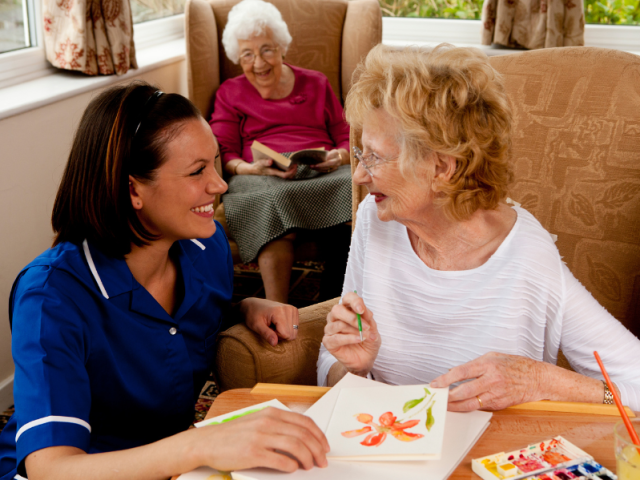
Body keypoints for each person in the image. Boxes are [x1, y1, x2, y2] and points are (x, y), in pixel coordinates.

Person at [0, 82, 329, 480]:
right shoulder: (49, 298)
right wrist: (203, 443)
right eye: (197, 171)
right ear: (133, 189)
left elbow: (165, 332)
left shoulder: (207, 252)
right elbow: (51, 468)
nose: (219, 185)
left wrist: (242, 308)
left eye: (215, 162)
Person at [317, 44, 640, 412]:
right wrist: (352, 367)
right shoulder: (377, 219)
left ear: (441, 168)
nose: (358, 174)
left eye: (374, 157)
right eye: (361, 154)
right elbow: (331, 365)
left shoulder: (525, 257)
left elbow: (635, 384)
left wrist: (542, 380)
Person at [210, 0, 352, 304]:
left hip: (321, 172)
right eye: (247, 54)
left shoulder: (316, 82)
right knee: (269, 198)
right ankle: (278, 310)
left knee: (356, 185)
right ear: (238, 58)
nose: (258, 62)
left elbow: (345, 135)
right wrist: (248, 168)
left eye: (266, 50)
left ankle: (335, 301)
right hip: (261, 176)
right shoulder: (229, 92)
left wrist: (337, 157)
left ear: (282, 48)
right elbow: (223, 151)